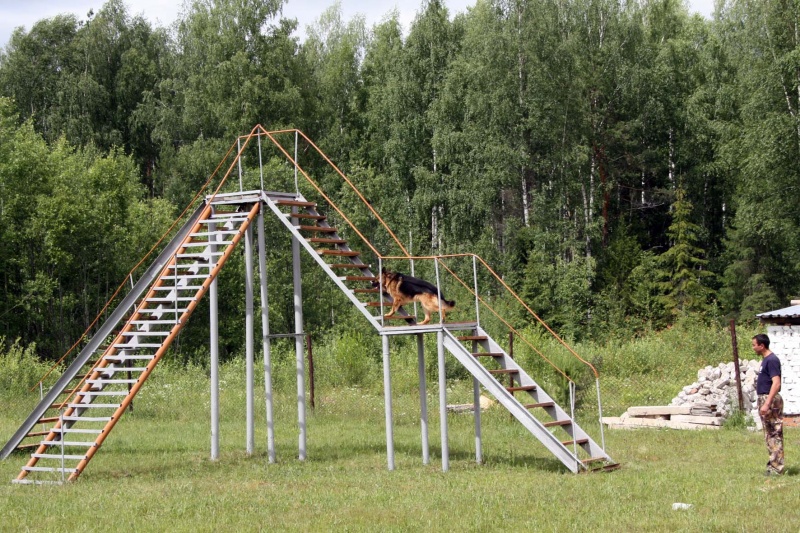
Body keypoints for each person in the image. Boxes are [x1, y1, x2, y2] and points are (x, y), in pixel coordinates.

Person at [752, 333, 784, 476]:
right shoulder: (766, 360)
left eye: (754, 345)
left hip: (769, 399)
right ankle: (773, 465)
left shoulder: (771, 360)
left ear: (762, 345)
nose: (753, 348)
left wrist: (767, 403)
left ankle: (777, 468)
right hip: (764, 398)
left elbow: (776, 383)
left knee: (774, 433)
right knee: (769, 434)